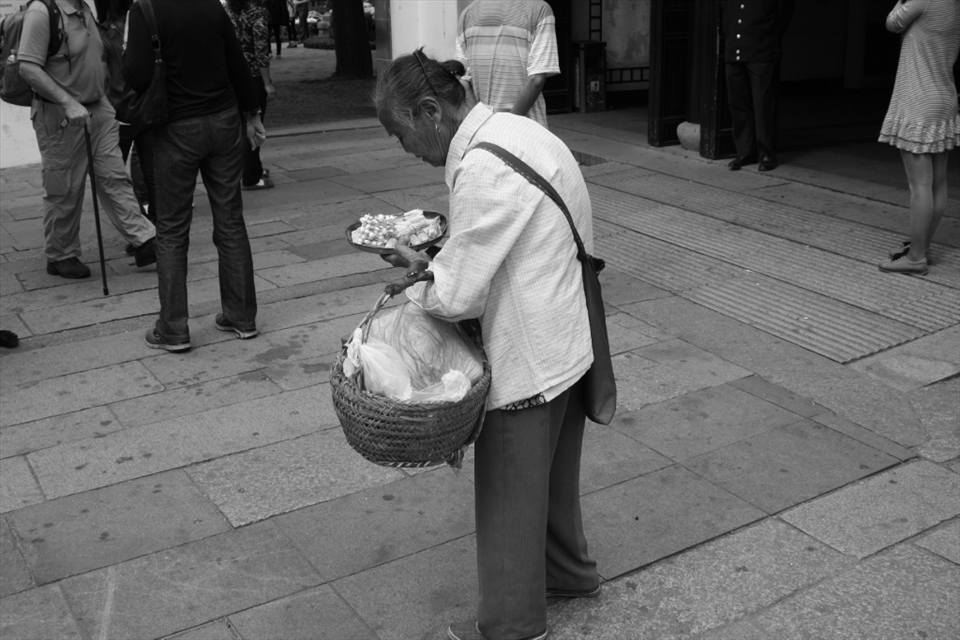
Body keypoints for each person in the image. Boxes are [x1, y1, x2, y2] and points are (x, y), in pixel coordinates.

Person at [374, 49, 600, 640]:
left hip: (529, 355)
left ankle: (512, 624)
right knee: (550, 486)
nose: (407, 149)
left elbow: (457, 296)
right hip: (567, 342)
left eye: (403, 135)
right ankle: (568, 573)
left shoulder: (482, 169)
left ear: (430, 111)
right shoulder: (518, 130)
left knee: (507, 496)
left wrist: (418, 275)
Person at [124, 0, 265, 352]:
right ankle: (241, 316)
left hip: (176, 127)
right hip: (223, 121)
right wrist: (253, 113)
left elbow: (138, 76)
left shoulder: (145, 11)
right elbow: (238, 63)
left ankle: (173, 328)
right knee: (230, 220)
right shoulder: (211, 7)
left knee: (171, 229)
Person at [18, 0, 157, 279]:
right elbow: (27, 68)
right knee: (65, 188)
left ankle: (144, 240)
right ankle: (61, 254)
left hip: (98, 109)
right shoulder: (42, 12)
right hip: (61, 115)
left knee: (114, 176)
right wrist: (68, 102)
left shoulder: (84, 10)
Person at [877, 0, 960, 275]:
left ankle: (915, 258)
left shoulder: (921, 1)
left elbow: (892, 22)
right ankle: (922, 247)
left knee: (920, 186)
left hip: (919, 101)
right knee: (938, 182)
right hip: (945, 97)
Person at [455, 0, 560, 128]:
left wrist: (479, 122)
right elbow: (536, 79)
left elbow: (462, 79)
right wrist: (507, 127)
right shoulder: (540, 10)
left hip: (482, 130)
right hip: (527, 131)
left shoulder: (467, 14)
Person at [720, 0, 794, 171]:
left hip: (761, 51)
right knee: (738, 104)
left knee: (763, 105)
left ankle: (766, 152)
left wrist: (769, 40)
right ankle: (745, 152)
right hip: (734, 51)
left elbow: (784, 14)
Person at [225, 0, 276, 190]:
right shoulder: (256, 14)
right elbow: (261, 51)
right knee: (254, 124)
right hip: (252, 75)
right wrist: (267, 83)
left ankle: (251, 167)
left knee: (238, 125)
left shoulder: (225, 11)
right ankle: (251, 175)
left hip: (230, 76)